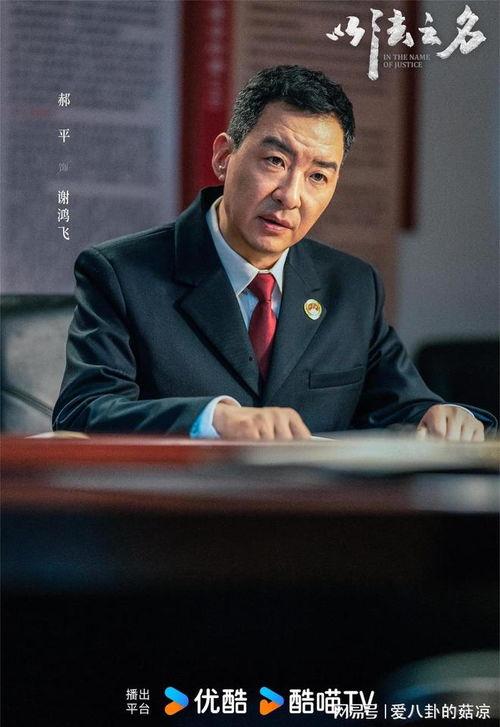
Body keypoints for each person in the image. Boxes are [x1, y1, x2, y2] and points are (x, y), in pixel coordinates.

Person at [53, 65, 491, 441]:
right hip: (178, 510)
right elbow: (83, 412)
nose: (291, 196)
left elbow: (406, 405)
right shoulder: (120, 274)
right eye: (275, 161)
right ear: (224, 157)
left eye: (318, 177)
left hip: (309, 512)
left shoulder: (352, 286)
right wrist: (214, 419)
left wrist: (445, 417)